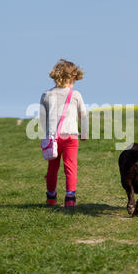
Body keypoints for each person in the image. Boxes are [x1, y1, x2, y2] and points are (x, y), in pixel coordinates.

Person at [39, 59, 89, 207]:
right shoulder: (76, 95)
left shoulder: (46, 95)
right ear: (70, 78)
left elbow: (43, 118)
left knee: (52, 169)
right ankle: (70, 198)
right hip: (71, 138)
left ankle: (51, 197)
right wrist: (84, 133)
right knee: (70, 167)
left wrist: (46, 135)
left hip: (53, 138)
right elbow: (83, 116)